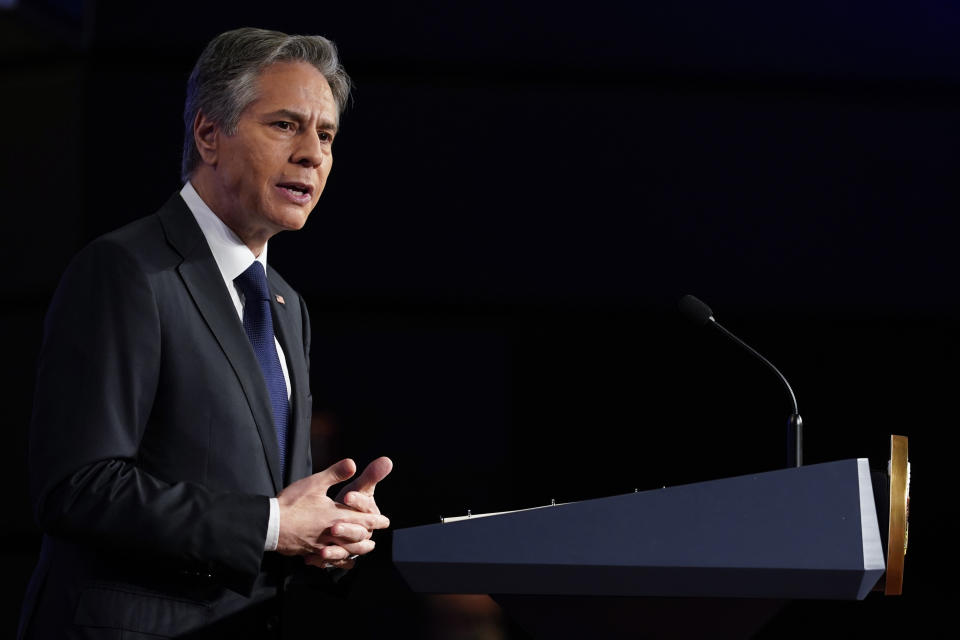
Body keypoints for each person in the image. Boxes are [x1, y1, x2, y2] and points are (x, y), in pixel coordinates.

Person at [18, 27, 392, 639]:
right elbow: (77, 487)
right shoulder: (129, 269)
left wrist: (324, 531)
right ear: (209, 134)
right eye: (285, 125)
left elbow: (275, 507)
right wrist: (272, 524)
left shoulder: (285, 305)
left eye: (325, 135)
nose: (312, 154)